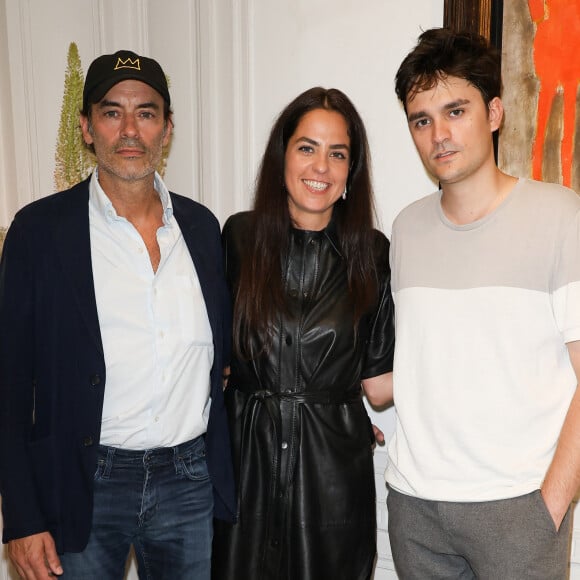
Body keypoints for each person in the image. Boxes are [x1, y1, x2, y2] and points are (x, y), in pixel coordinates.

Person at [0, 49, 235, 579]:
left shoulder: (201, 230)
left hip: (187, 479)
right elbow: (9, 384)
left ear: (166, 129)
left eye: (146, 113)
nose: (130, 129)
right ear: (86, 127)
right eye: (112, 112)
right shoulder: (39, 233)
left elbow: (221, 355)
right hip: (83, 481)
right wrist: (21, 516)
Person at [386, 27, 580, 579]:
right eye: (421, 120)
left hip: (519, 508)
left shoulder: (560, 216)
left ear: (494, 113)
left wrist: (551, 504)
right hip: (415, 509)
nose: (439, 135)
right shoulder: (405, 229)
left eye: (456, 111)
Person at [211, 87, 395, 579]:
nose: (321, 167)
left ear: (350, 171)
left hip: (331, 476)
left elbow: (380, 381)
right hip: (246, 466)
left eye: (338, 154)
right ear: (282, 156)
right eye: (307, 148)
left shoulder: (373, 254)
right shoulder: (237, 239)